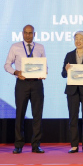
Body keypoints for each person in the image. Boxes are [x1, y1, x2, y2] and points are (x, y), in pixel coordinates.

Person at [4, 25, 46, 154]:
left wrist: (44, 73)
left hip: (37, 84)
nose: (28, 35)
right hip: (22, 84)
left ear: (34, 34)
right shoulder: (15, 46)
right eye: (26, 33)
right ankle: (18, 145)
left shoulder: (40, 47)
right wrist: (16, 72)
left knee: (37, 115)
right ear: (22, 33)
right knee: (20, 114)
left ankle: (36, 145)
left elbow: (45, 65)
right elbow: (6, 65)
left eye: (30, 33)